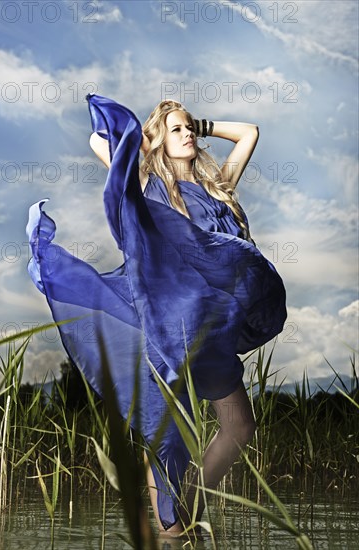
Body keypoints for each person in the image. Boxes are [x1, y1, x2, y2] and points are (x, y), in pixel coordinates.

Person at [27, 93, 287, 536]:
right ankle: (170, 533)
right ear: (158, 141)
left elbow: (250, 133)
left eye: (190, 130)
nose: (186, 135)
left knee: (239, 426)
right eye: (177, 130)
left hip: (210, 325)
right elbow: (97, 139)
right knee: (170, 433)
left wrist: (194, 123)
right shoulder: (149, 185)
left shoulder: (218, 185)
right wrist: (152, 135)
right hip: (166, 322)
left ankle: (183, 512)